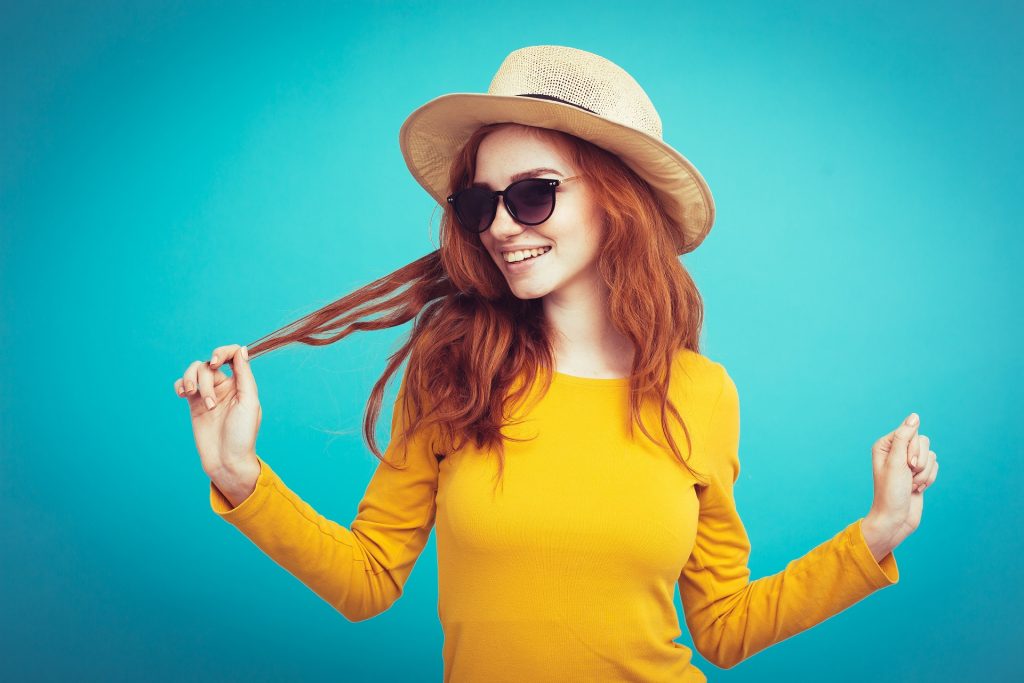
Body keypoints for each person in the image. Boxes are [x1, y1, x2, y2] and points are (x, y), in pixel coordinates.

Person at [173, 45, 939, 681]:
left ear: (616, 201)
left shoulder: (702, 394)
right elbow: (369, 577)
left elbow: (724, 626)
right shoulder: (453, 372)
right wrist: (242, 476)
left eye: (534, 195)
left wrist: (878, 531)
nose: (502, 226)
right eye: (481, 204)